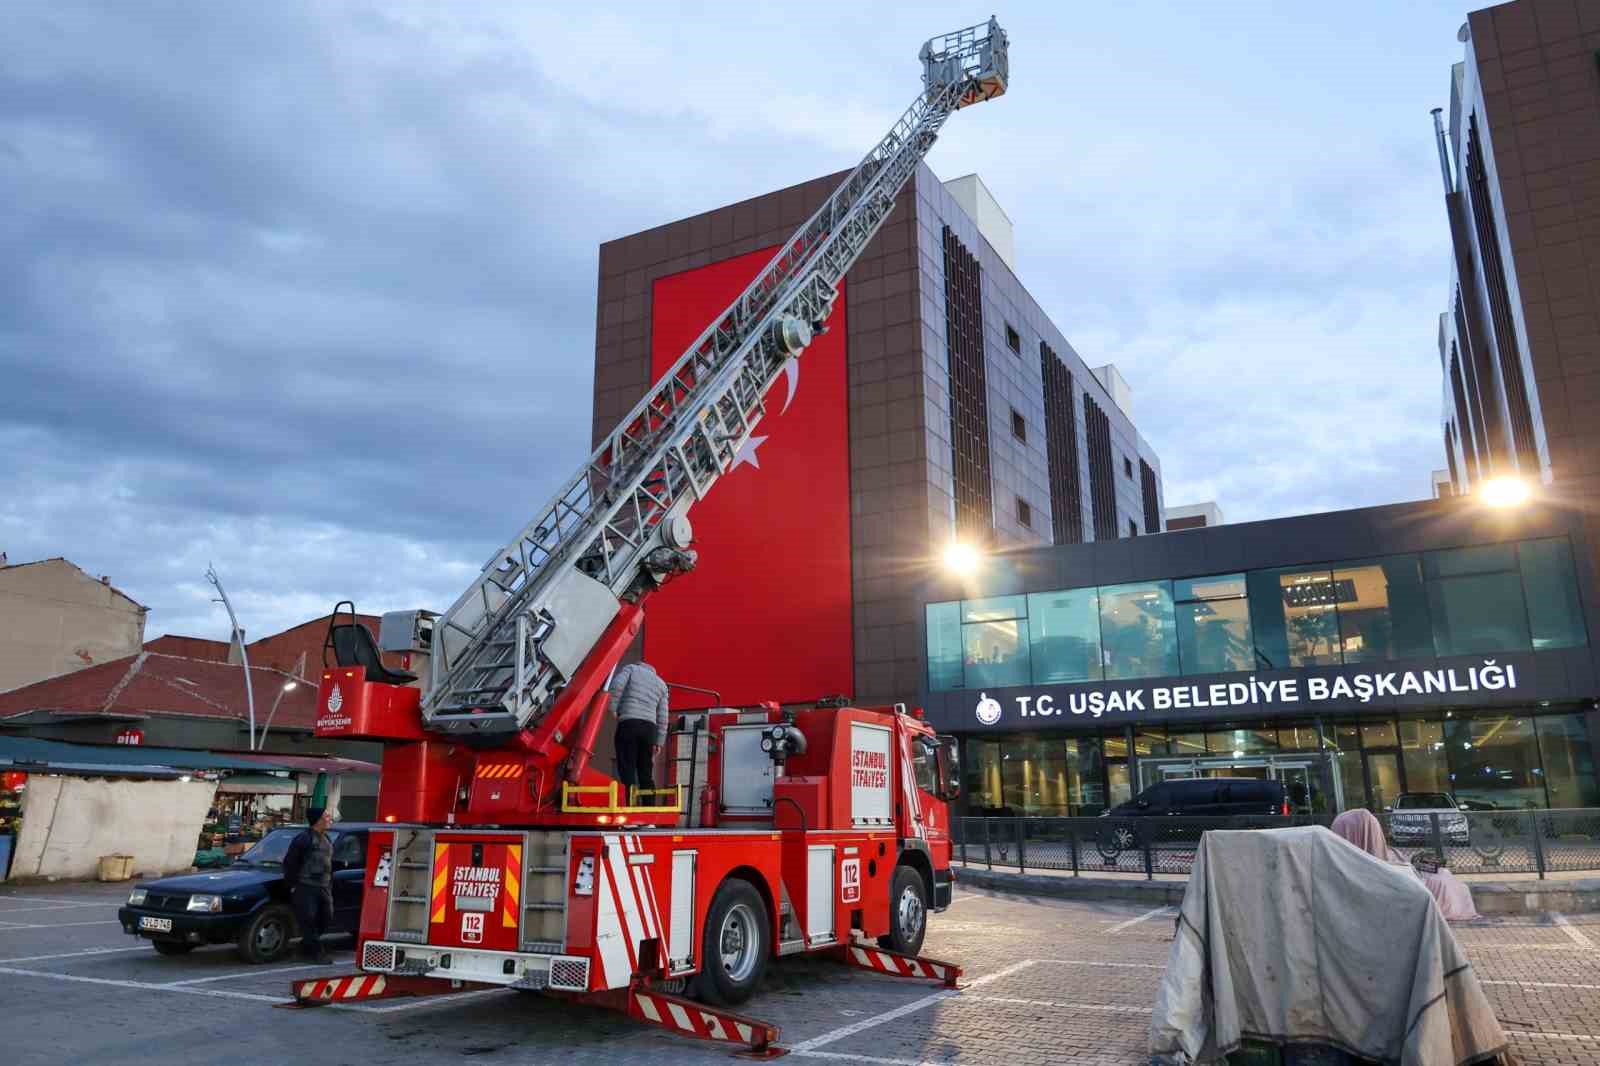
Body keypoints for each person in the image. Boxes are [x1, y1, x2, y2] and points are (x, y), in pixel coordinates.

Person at [1330, 808, 1479, 920]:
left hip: (1417, 878)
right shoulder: (1356, 864)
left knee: (1443, 875)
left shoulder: (1376, 855)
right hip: (1415, 884)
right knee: (1443, 879)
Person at [609, 661, 670, 804]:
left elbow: (617, 684)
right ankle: (648, 813)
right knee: (646, 772)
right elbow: (663, 716)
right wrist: (659, 741)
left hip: (629, 723)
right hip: (649, 729)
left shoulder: (631, 669)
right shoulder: (661, 684)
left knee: (627, 768)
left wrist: (612, 707)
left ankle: (630, 809)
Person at [283, 805, 337, 962]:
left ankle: (304, 947)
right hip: (306, 886)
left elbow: (329, 863)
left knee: (326, 917)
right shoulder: (304, 838)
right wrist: (292, 885)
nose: (329, 819)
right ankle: (316, 954)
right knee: (309, 920)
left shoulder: (326, 838)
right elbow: (291, 862)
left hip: (324, 886)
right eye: (326, 816)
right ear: (318, 820)